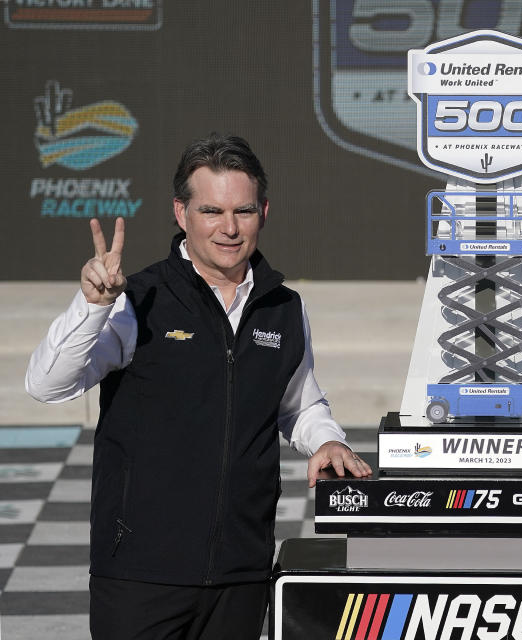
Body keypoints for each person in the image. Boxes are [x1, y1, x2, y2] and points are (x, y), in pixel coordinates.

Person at [25, 133, 372, 639]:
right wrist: (93, 306)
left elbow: (299, 403)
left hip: (242, 573)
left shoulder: (284, 307)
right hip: (141, 574)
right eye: (211, 211)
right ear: (181, 213)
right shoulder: (137, 300)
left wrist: (326, 439)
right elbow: (46, 385)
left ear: (264, 211)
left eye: (243, 211)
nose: (229, 229)